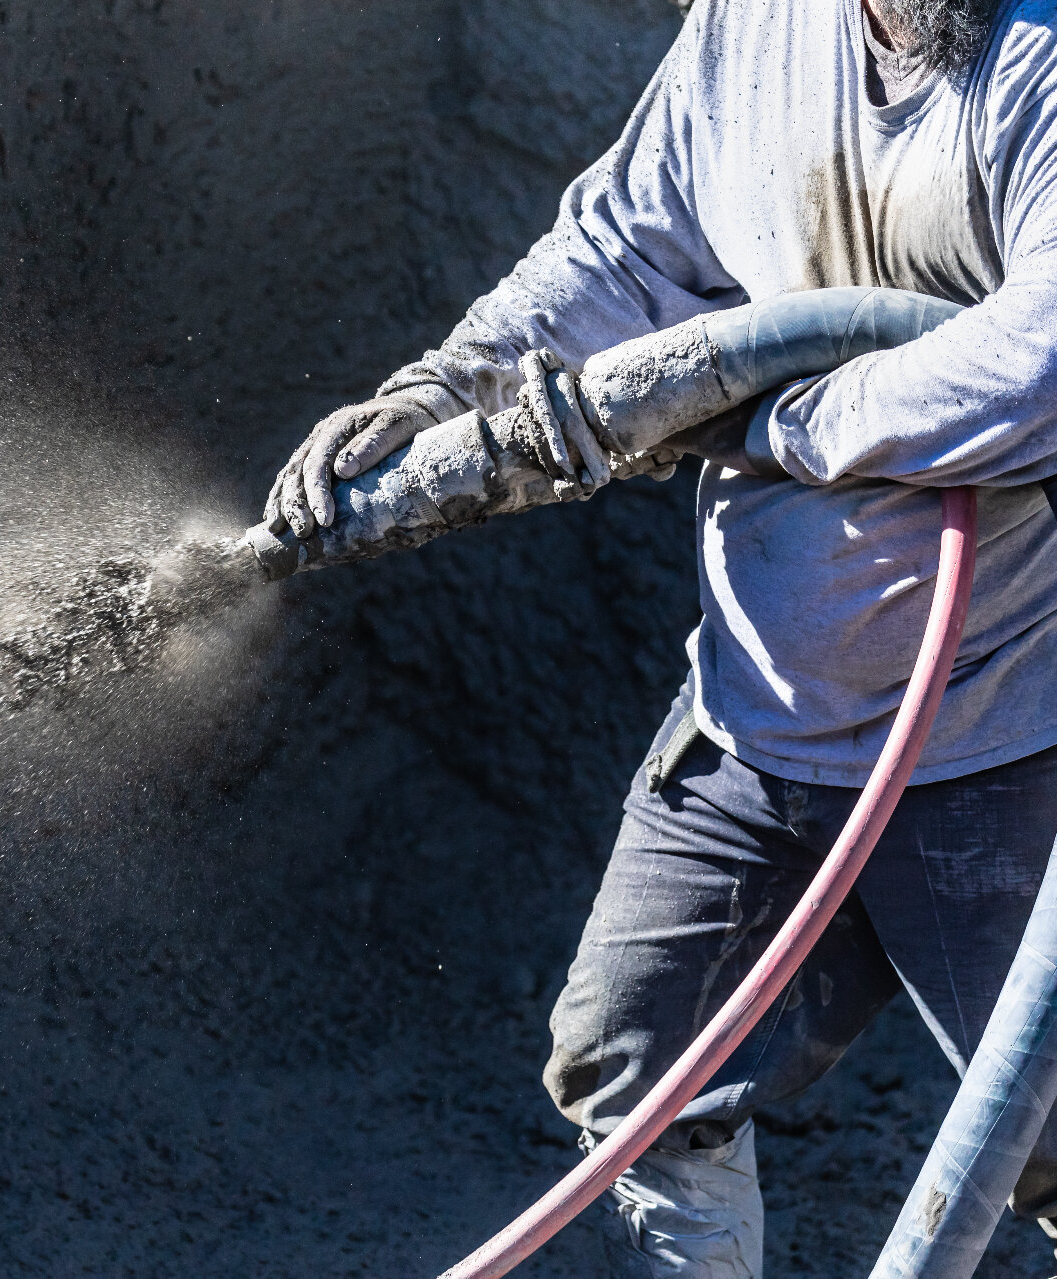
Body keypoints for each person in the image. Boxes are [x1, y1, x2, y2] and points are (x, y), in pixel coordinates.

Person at [266, 0, 1057, 1273]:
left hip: (1000, 736)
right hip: (758, 720)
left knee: (1045, 1130)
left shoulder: (1039, 63)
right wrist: (443, 390)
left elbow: (1044, 362)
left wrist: (766, 418)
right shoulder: (754, 29)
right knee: (633, 1065)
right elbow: (620, 255)